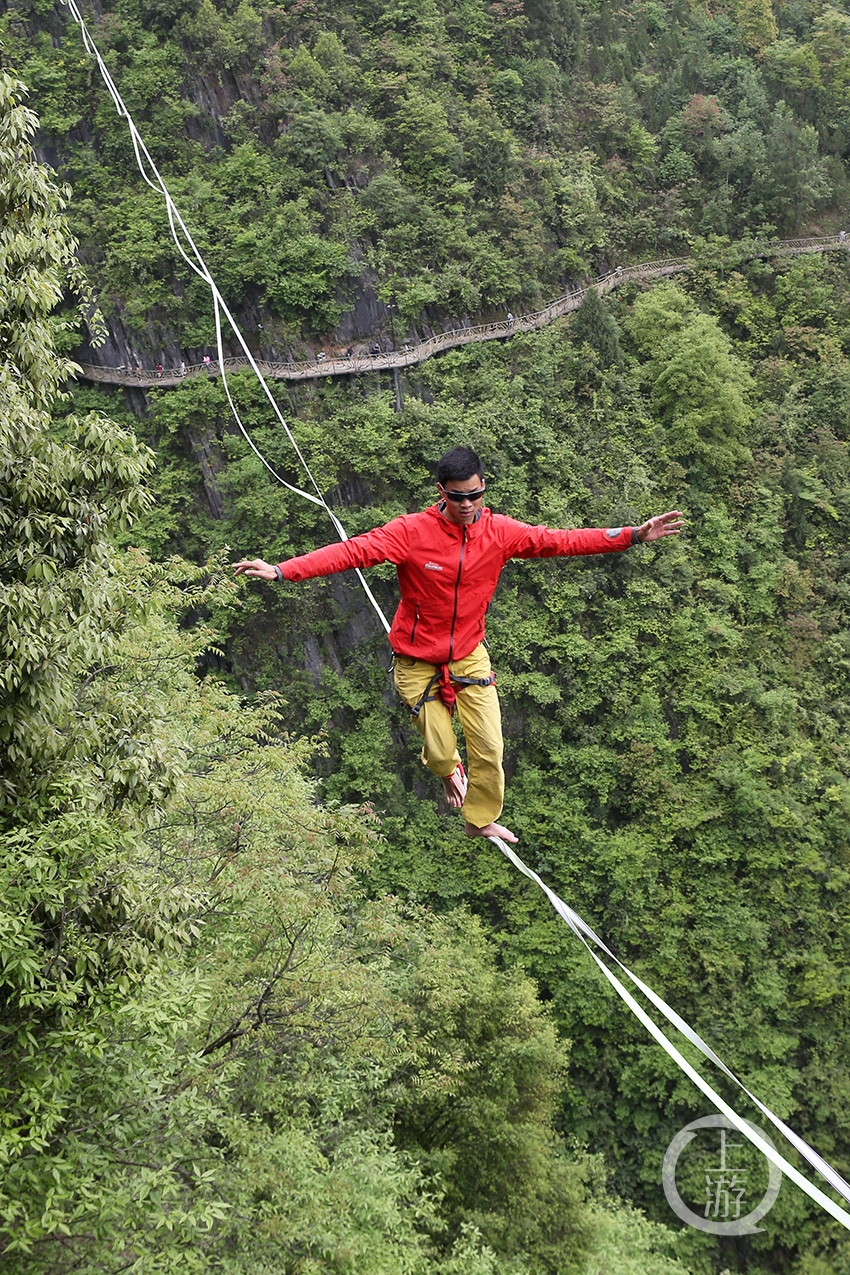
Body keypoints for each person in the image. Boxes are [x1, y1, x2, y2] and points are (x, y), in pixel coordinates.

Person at [233, 447, 683, 844]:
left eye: (474, 495)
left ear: (483, 488)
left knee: (490, 747)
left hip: (469, 652)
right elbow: (351, 552)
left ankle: (478, 819)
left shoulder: (500, 532)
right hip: (415, 658)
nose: (467, 505)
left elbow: (559, 542)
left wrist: (632, 535)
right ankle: (450, 773)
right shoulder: (411, 531)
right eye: (457, 497)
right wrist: (282, 570)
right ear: (441, 492)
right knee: (443, 754)